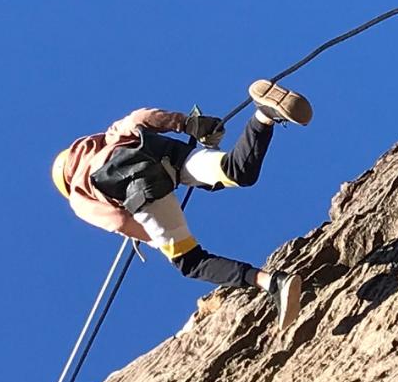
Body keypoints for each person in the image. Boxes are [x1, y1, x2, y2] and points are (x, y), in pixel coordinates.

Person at [52, 80, 312, 328]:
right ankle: (264, 115)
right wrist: (190, 125)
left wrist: (152, 237)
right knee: (236, 172)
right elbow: (140, 118)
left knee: (190, 262)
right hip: (164, 155)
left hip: (141, 190)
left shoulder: (78, 193)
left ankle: (272, 282)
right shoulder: (109, 138)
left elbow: (118, 220)